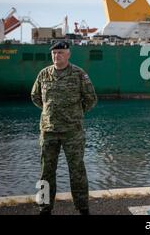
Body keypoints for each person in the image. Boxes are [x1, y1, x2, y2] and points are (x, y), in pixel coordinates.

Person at [31, 41, 97, 215]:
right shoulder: (43, 74)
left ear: (68, 54)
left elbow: (91, 98)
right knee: (46, 171)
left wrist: (75, 114)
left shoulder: (78, 74)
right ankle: (44, 207)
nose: (56, 56)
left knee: (77, 170)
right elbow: (35, 97)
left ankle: (83, 208)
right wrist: (49, 113)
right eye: (54, 53)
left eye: (60, 52)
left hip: (72, 132)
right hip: (48, 131)